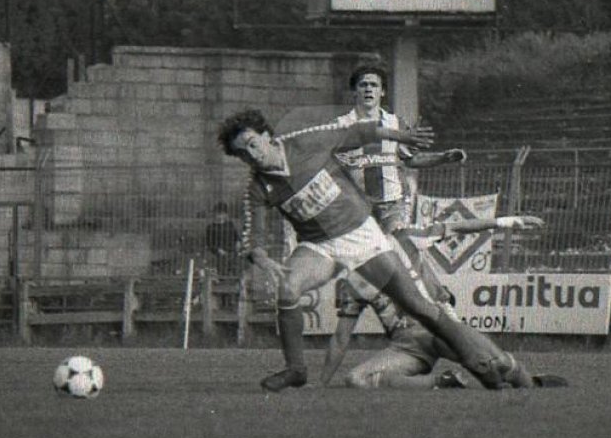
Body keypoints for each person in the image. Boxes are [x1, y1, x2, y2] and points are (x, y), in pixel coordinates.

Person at [218, 109, 536, 392]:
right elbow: (252, 236)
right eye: (242, 154)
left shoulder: (305, 142)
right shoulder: (258, 188)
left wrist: (401, 136)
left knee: (419, 307)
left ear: (267, 136)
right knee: (287, 288)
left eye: (252, 144)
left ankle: (495, 368)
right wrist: (260, 258)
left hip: (362, 235)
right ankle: (296, 369)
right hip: (319, 247)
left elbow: (359, 131)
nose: (251, 155)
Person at [322, 215, 567, 390]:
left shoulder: (405, 238)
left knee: (498, 368)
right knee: (356, 379)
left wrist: (505, 221)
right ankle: (443, 382)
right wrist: (320, 384)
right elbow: (341, 337)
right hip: (406, 347)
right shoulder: (354, 279)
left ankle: (532, 383)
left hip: (443, 328)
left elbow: (458, 227)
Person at [334, 63, 467, 233]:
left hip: (393, 205)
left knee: (396, 249)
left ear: (382, 92)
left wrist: (443, 157)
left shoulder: (396, 123)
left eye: (374, 85)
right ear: (354, 91)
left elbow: (410, 160)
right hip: (357, 207)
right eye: (363, 85)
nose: (368, 89)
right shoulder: (340, 125)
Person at [203, 200, 240, 274]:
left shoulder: (230, 224)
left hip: (232, 250)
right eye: (218, 213)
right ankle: (223, 275)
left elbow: (237, 237)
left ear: (226, 214)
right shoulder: (211, 227)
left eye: (222, 213)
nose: (220, 215)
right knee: (223, 261)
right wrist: (218, 250)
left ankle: (233, 275)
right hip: (219, 251)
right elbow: (209, 243)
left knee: (237, 260)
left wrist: (238, 243)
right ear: (214, 214)